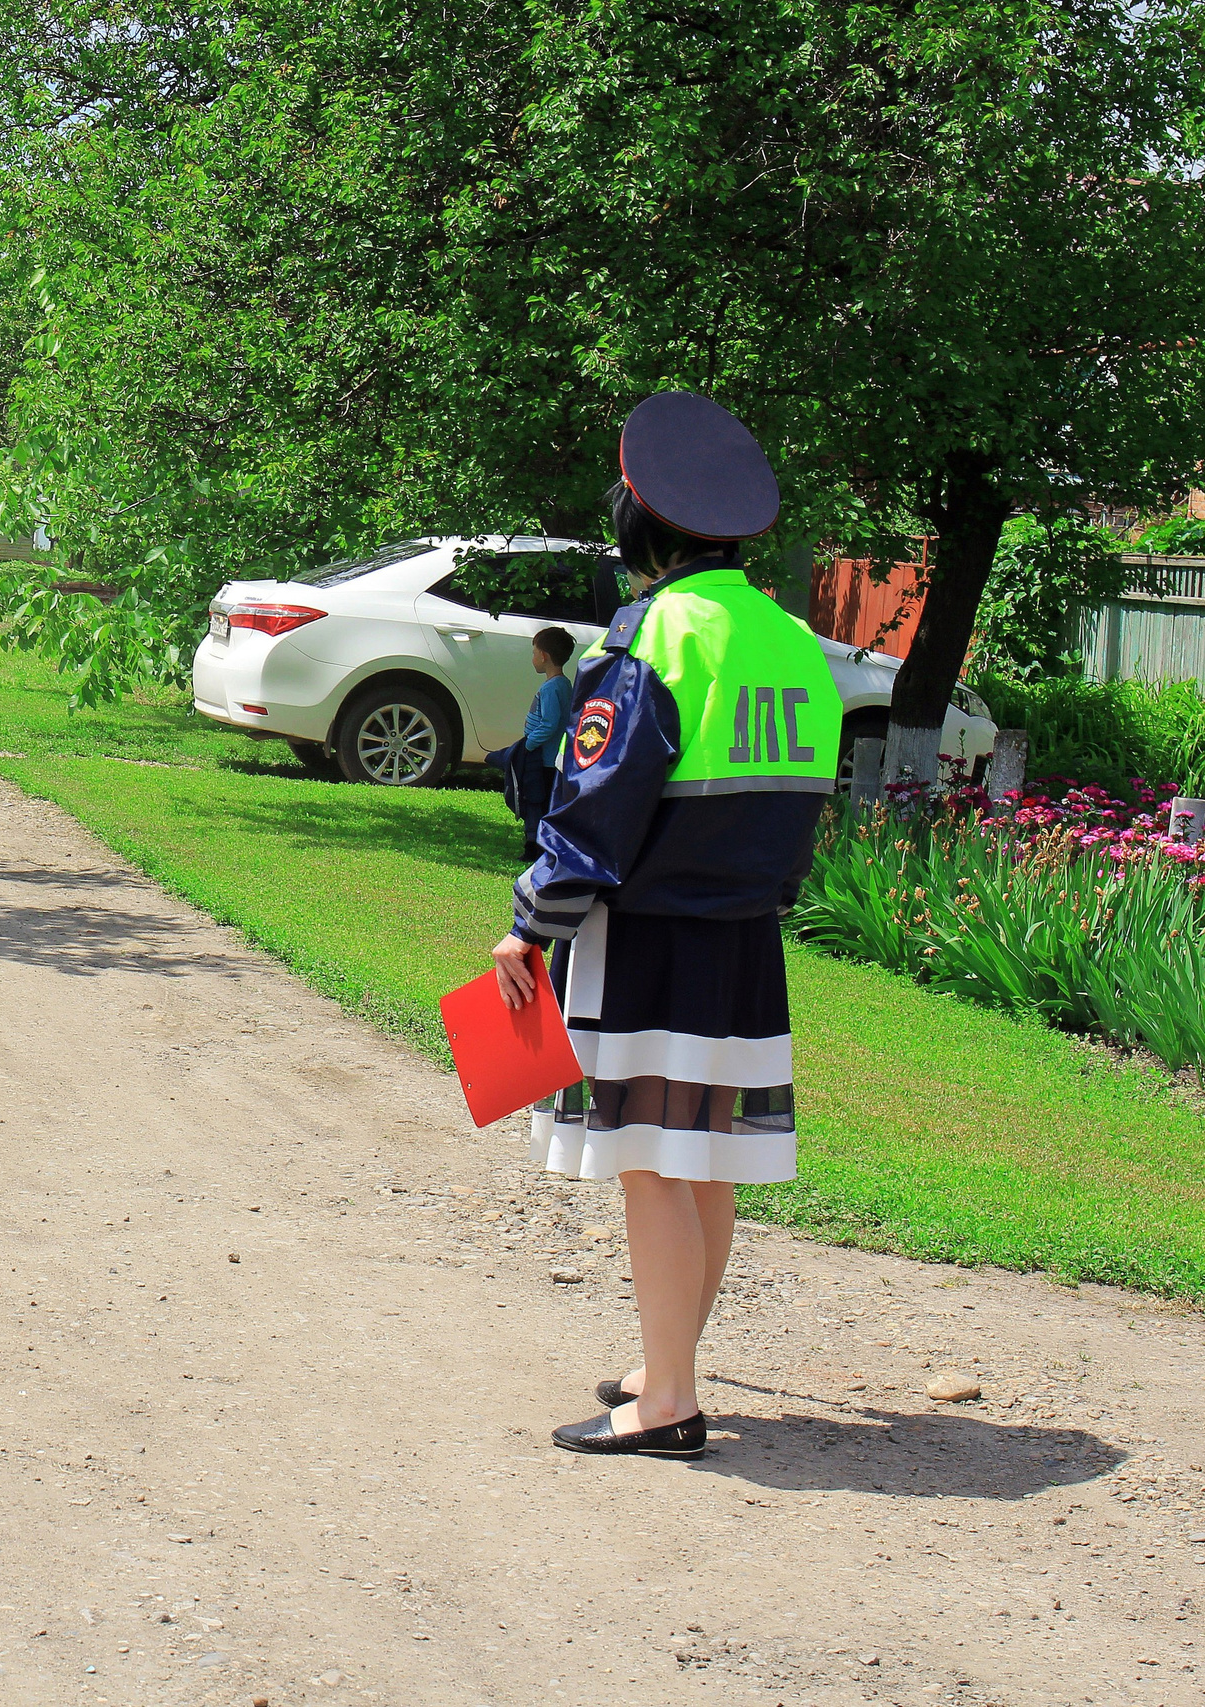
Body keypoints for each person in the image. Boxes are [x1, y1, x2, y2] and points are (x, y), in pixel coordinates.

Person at [488, 392, 838, 1462]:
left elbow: (595, 811)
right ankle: (665, 1363)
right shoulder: (790, 639)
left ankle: (668, 1400)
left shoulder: (652, 637)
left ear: (639, 524)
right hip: (743, 944)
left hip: (648, 943)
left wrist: (529, 927)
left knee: (648, 1163)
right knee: (705, 1164)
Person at [487, 627, 577, 860]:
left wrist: (528, 745)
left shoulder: (551, 688)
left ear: (544, 656)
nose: (533, 658)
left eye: (534, 652)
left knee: (536, 799)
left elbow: (549, 723)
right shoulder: (563, 684)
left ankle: (534, 845)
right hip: (548, 756)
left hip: (542, 757)